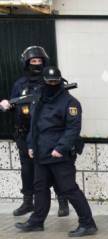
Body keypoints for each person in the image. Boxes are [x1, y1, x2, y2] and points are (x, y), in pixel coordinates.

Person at [15, 66, 97, 237]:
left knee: (69, 189)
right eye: (49, 82)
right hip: (40, 153)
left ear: (60, 81)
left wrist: (60, 149)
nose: (52, 84)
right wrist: (30, 145)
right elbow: (33, 125)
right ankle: (37, 222)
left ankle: (88, 223)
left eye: (55, 82)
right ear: (44, 82)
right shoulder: (39, 98)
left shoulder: (70, 102)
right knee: (40, 188)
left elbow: (73, 129)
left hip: (59, 156)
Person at [0, 46, 69, 218]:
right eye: (33, 61)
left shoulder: (50, 81)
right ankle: (27, 202)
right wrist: (6, 105)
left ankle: (62, 201)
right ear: (26, 63)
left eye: (39, 61)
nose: (36, 64)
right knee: (27, 170)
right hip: (24, 134)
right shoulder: (20, 84)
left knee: (53, 168)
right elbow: (13, 106)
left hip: (45, 134)